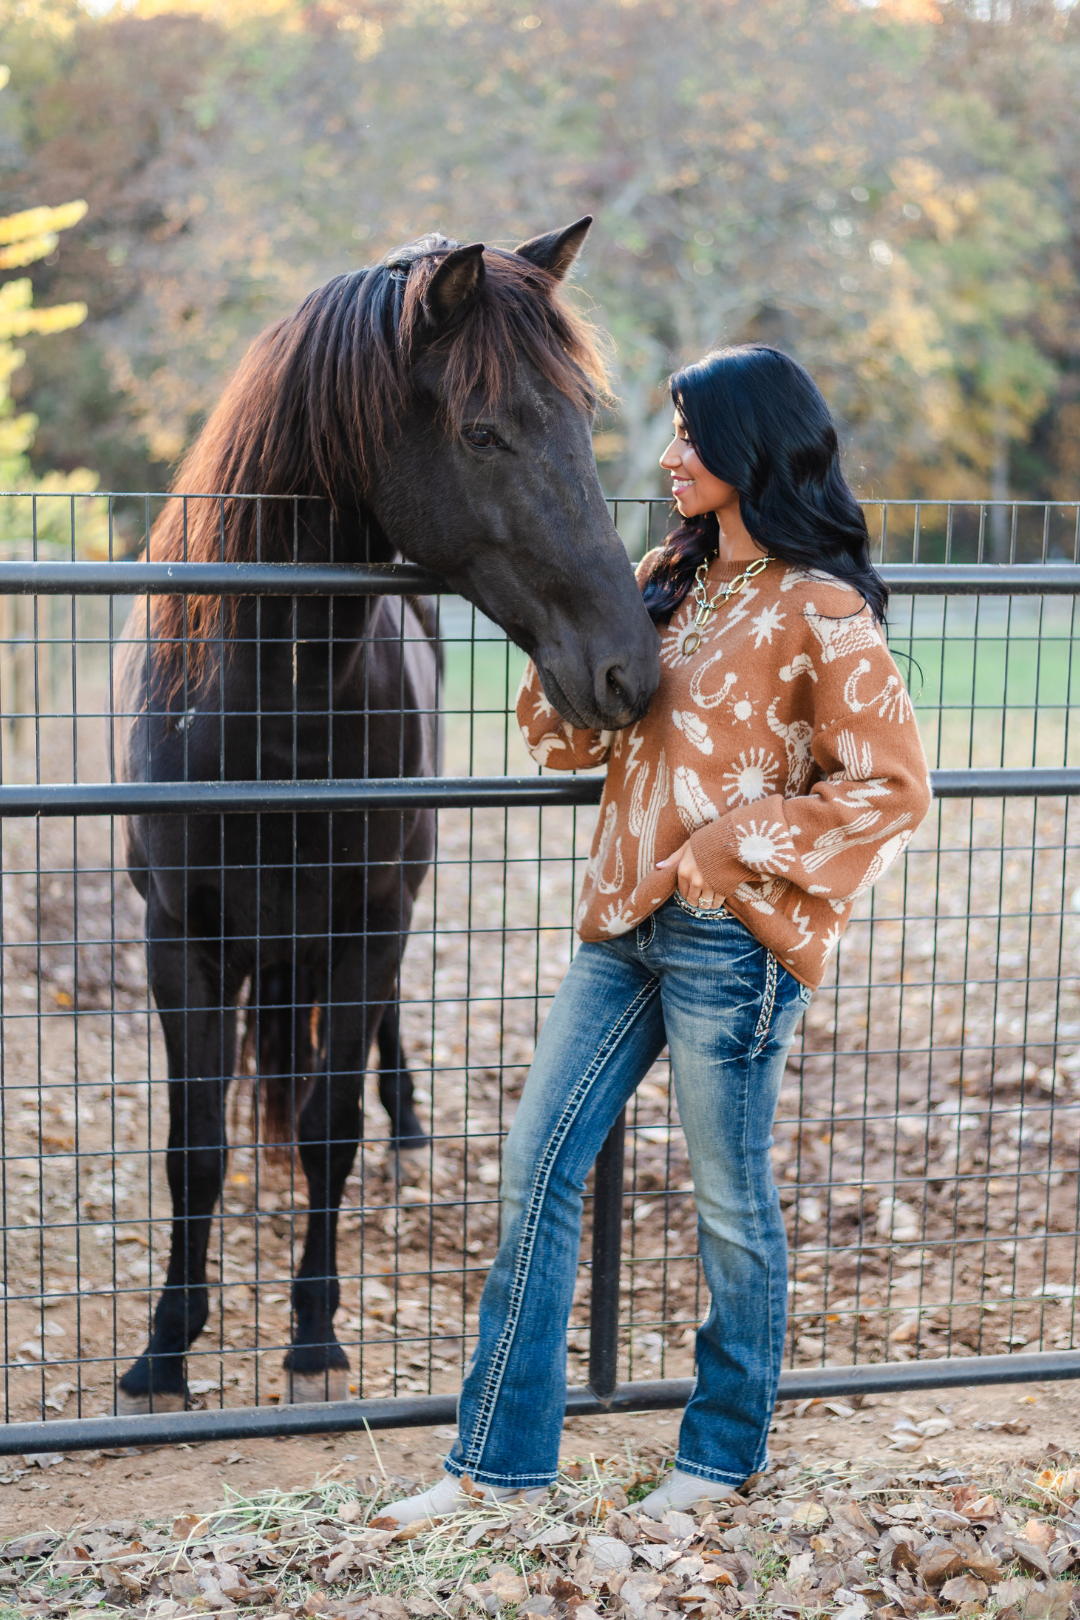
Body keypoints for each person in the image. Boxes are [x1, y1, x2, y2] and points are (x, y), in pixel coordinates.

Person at [386, 344, 932, 1523]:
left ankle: (721, 1453)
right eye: (674, 432)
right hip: (618, 931)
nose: (672, 457)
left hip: (729, 946)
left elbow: (891, 789)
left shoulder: (820, 610)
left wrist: (734, 846)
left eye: (693, 435)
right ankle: (497, 1467)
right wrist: (563, 647)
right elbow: (572, 742)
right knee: (537, 1171)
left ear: (752, 450)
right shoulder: (664, 581)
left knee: (729, 1204)